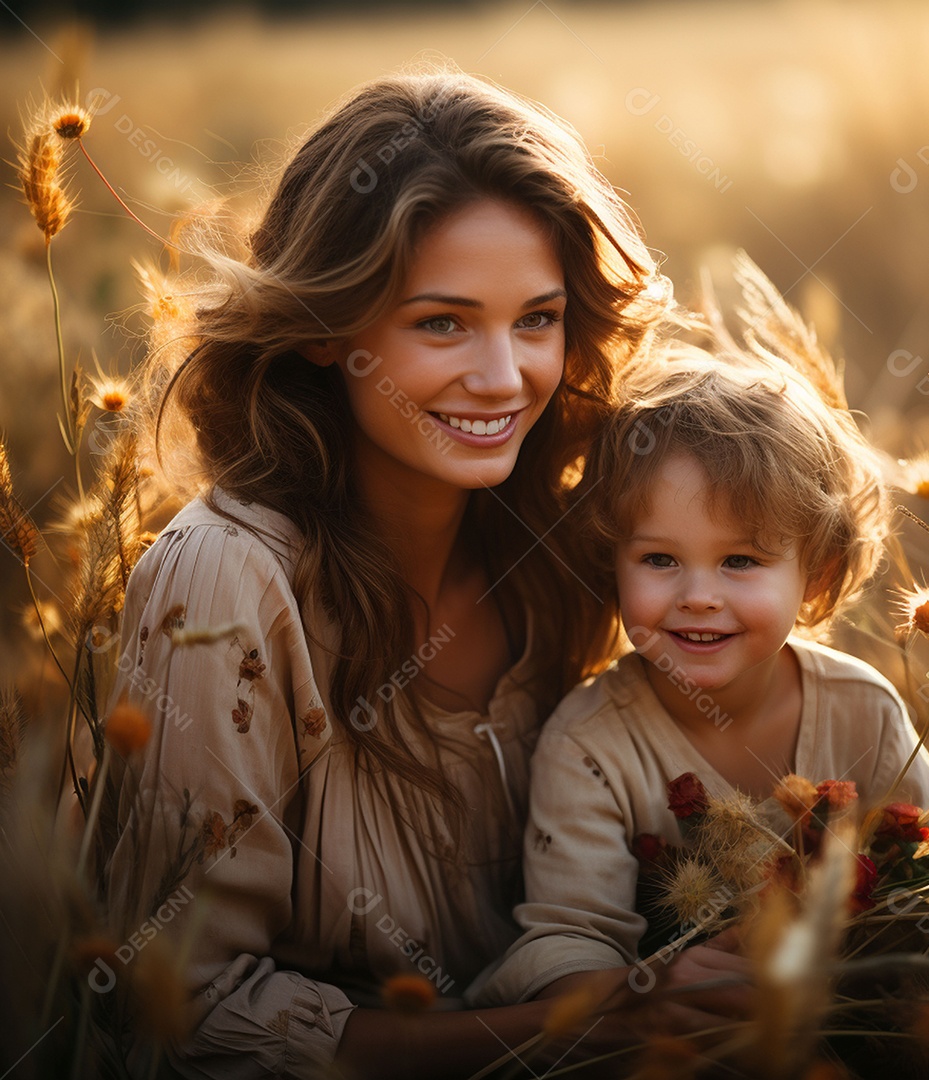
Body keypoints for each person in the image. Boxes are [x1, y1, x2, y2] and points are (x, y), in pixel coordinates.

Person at [100, 68, 711, 1079]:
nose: (502, 375)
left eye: (537, 319)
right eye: (442, 322)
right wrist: (569, 1036)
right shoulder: (226, 582)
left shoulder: (567, 553)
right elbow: (181, 1016)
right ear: (324, 329)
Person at [471, 348, 929, 1008]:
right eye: (660, 558)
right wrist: (647, 992)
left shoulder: (864, 711)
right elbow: (570, 941)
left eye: (740, 561)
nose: (697, 596)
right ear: (613, 563)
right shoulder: (590, 745)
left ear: (819, 573)